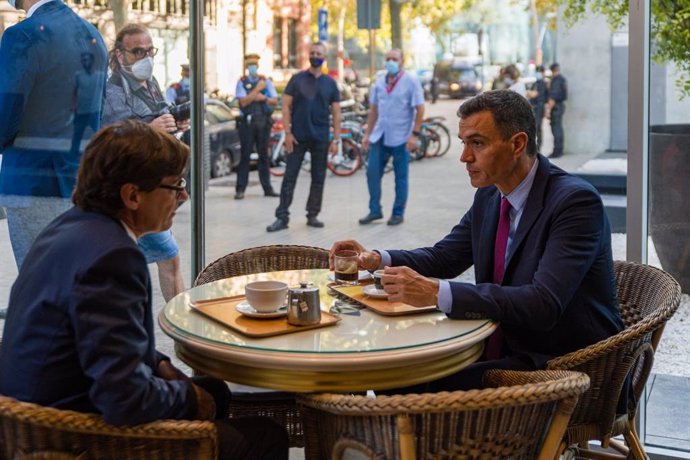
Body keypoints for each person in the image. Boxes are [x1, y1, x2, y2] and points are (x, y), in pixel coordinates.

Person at [0, 120, 289, 460]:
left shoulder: (68, 228)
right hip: (68, 437)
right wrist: (191, 399)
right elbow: (124, 399)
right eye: (175, 186)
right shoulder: (113, 257)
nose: (183, 196)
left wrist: (163, 367)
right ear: (133, 195)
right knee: (265, 436)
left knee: (215, 391)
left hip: (34, 414)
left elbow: (107, 340)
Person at [331, 89, 623, 391]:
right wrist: (377, 259)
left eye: (477, 144)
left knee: (397, 382)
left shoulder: (574, 202)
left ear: (517, 144)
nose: (464, 157)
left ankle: (416, 438)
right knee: (384, 368)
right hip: (502, 349)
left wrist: (435, 292)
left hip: (562, 367)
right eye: (463, 143)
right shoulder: (490, 194)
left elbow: (543, 303)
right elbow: (445, 257)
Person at [0, 0, 107, 270]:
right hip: (80, 180)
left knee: (40, 283)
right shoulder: (92, 34)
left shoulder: (22, 34)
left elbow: (7, 110)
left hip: (32, 179)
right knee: (70, 280)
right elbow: (97, 111)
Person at [102, 23, 188, 302]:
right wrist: (152, 128)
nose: (145, 57)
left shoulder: (151, 84)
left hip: (152, 187)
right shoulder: (112, 91)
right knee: (168, 256)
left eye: (149, 50)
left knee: (163, 260)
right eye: (137, 51)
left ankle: (176, 326)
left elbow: (159, 120)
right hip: (129, 191)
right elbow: (115, 139)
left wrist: (175, 123)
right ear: (119, 55)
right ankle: (181, 328)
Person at [266, 41, 341, 232]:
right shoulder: (297, 79)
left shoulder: (330, 83)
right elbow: (285, 106)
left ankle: (313, 214)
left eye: (319, 53)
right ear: (309, 55)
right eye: (313, 52)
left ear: (324, 57)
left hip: (321, 138)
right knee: (289, 177)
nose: (315, 55)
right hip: (297, 137)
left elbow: (336, 113)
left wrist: (336, 139)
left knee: (318, 178)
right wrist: (288, 133)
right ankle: (282, 217)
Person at [358, 48, 424, 227]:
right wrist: (367, 134)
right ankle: (374, 210)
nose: (390, 62)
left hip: (402, 137)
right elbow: (374, 111)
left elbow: (420, 109)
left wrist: (414, 135)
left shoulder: (411, 81)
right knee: (372, 173)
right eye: (388, 58)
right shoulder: (379, 82)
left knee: (400, 177)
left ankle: (397, 213)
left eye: (394, 58)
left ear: (402, 61)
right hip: (380, 135)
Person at [234, 53, 279, 200]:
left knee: (264, 157)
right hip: (247, 123)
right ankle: (240, 189)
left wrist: (263, 97)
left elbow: (274, 100)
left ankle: (267, 188)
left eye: (254, 65)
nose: (252, 67)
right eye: (250, 65)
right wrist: (257, 90)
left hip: (263, 123)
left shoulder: (266, 81)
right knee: (245, 156)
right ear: (247, 67)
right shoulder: (242, 82)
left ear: (257, 66)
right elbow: (244, 102)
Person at [546, 63, 567, 158]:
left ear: (552, 70)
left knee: (556, 129)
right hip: (560, 106)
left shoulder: (556, 80)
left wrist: (548, 110)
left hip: (556, 107)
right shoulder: (562, 79)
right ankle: (559, 150)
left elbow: (553, 97)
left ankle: (557, 151)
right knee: (558, 128)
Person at [527, 65, 548, 150]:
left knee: (538, 126)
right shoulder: (536, 82)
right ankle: (536, 145)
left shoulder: (542, 83)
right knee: (535, 127)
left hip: (539, 106)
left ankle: (538, 146)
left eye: (539, 71)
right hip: (535, 107)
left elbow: (536, 94)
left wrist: (530, 93)